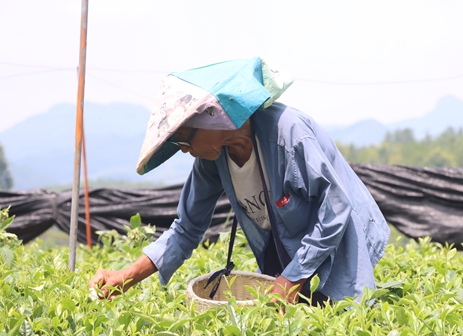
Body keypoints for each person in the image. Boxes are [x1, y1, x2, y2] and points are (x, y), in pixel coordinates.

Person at [89, 101, 390, 304]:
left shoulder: (288, 132)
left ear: (210, 120)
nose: (184, 151)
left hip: (337, 238)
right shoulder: (211, 159)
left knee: (340, 320)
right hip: (285, 243)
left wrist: (292, 278)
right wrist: (125, 277)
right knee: (290, 327)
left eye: (184, 140)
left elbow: (335, 208)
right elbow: (186, 228)